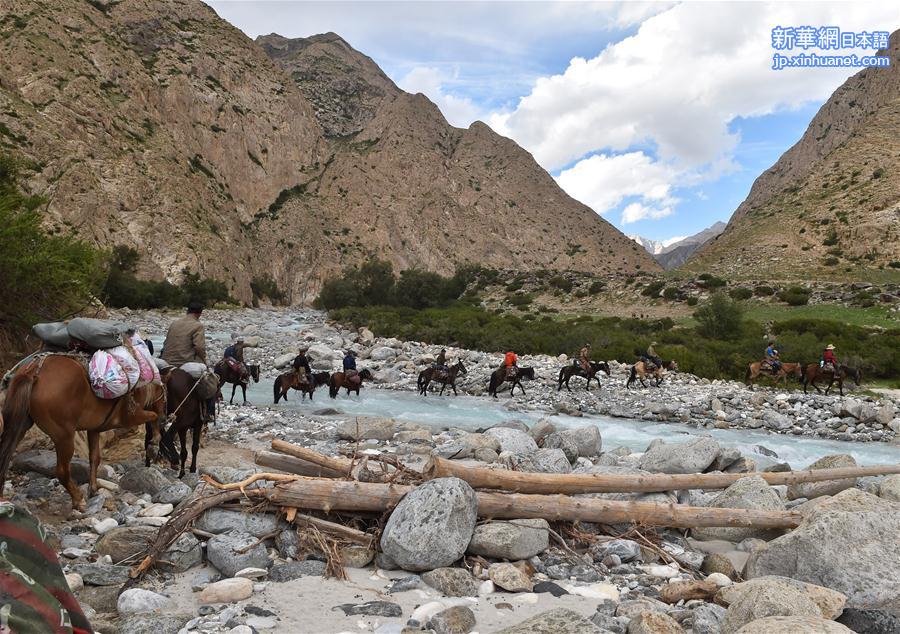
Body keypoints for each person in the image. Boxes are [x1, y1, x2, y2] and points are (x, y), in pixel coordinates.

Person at [162, 302, 215, 422]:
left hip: (166, 361)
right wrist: (204, 360)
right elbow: (199, 347)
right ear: (200, 314)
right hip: (185, 362)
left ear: (187, 311)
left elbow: (166, 343)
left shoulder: (174, 323)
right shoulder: (198, 325)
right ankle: (208, 413)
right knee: (211, 381)